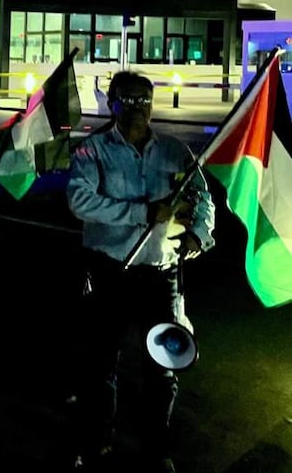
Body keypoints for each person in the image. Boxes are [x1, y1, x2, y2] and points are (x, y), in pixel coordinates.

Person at [65, 70, 215, 473]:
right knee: (101, 365)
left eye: (144, 100)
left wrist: (199, 235)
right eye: (127, 100)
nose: (137, 108)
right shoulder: (91, 151)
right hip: (110, 270)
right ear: (111, 103)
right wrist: (141, 213)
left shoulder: (174, 150)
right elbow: (80, 201)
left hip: (160, 275)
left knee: (163, 369)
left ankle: (156, 448)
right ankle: (98, 443)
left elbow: (201, 197)